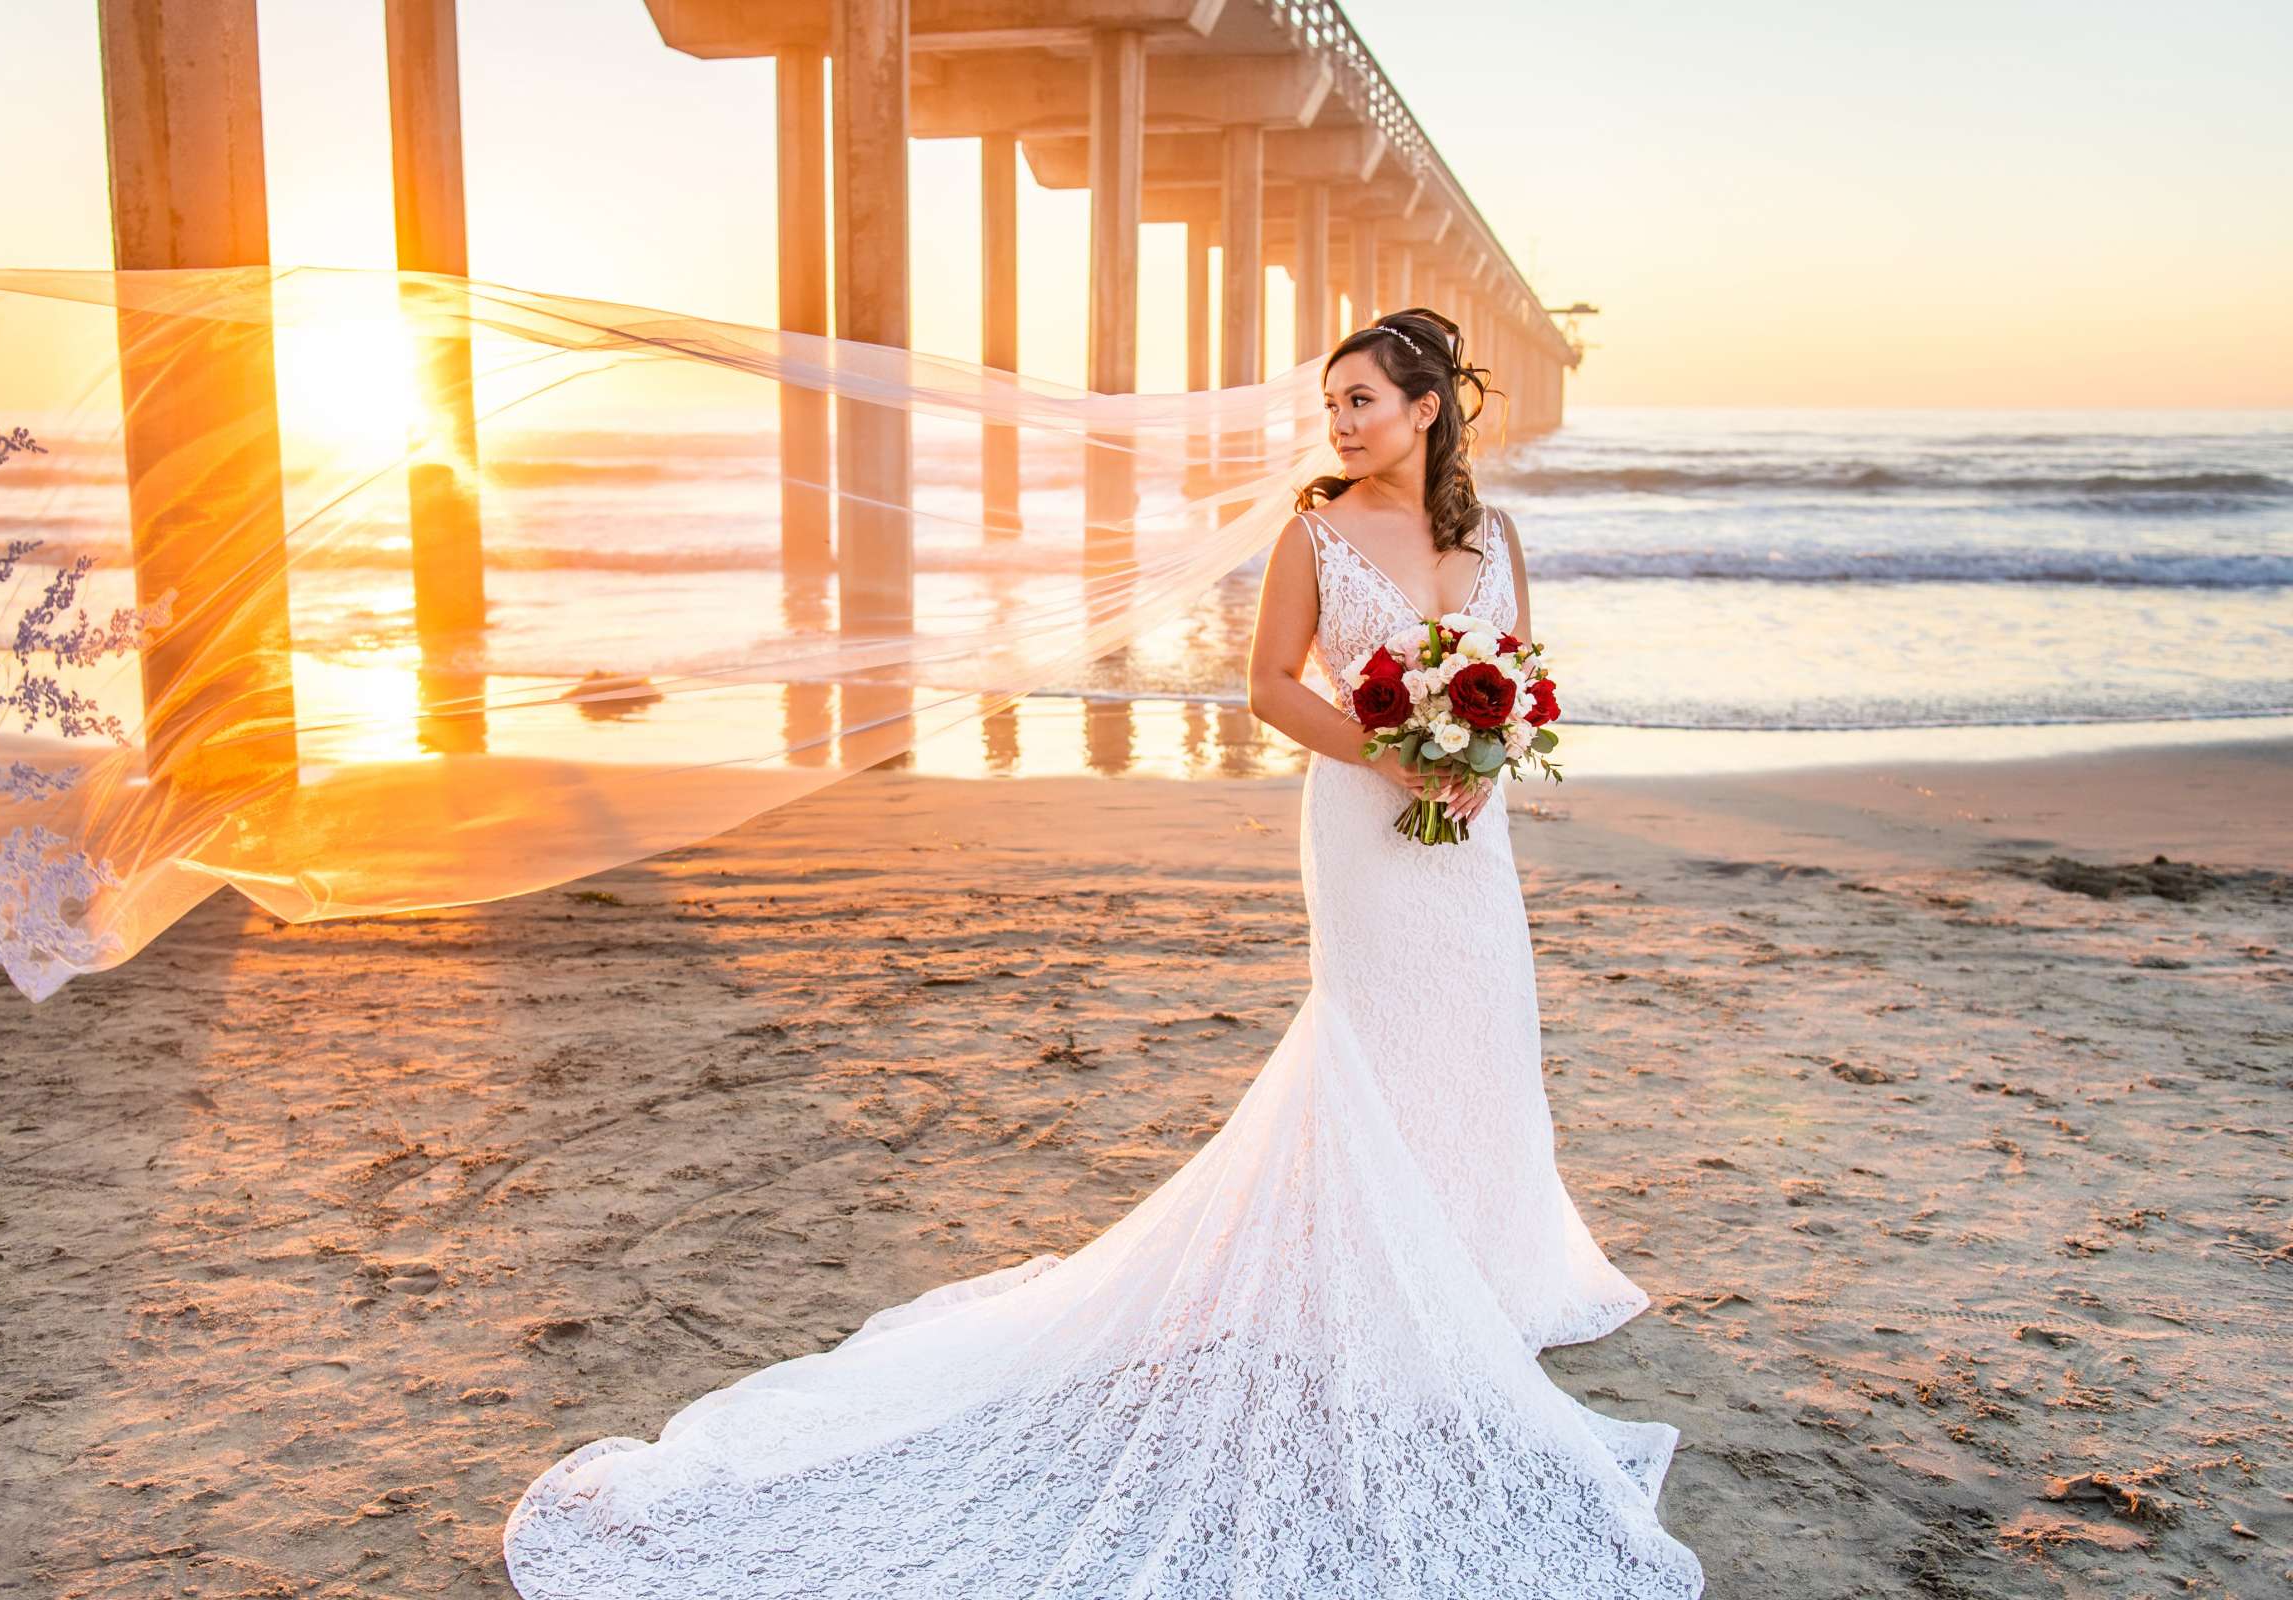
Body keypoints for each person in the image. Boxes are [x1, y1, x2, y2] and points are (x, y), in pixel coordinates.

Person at [502, 307, 1706, 1597]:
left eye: (1362, 400)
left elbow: (1518, 669)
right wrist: (1396, 750)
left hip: (1471, 828)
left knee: (1476, 1028)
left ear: (1426, 410)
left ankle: (1475, 1268)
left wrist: (1480, 759)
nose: (1341, 422)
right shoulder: (1314, 532)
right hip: (1364, 818)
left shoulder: (1496, 537)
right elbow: (1270, 686)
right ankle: (1370, 1281)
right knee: (1370, 1035)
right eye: (1333, 403)